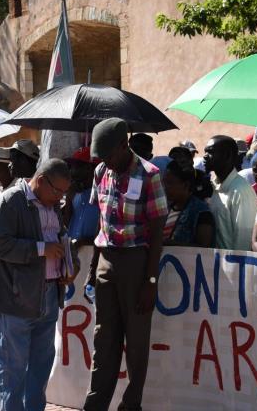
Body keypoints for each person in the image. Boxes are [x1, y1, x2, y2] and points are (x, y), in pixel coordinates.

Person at [84, 118, 167, 411]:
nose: (105, 161)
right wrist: (93, 268)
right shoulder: (100, 171)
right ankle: (95, 405)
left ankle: (131, 406)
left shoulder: (150, 175)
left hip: (136, 264)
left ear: (124, 145)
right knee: (103, 341)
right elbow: (101, 222)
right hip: (106, 260)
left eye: (108, 155)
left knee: (136, 344)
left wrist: (150, 281)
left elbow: (157, 232)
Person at [0, 158, 76, 411]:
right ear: (41, 180)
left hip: (48, 295)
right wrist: (41, 249)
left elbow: (60, 237)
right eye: (57, 191)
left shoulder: (53, 205)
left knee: (40, 367)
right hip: (16, 299)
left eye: (63, 193)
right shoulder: (10, 201)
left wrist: (71, 264)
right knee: (12, 369)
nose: (60, 198)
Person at [204, 135, 257, 251]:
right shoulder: (212, 187)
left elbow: (243, 241)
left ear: (227, 155)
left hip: (232, 261)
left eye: (210, 152)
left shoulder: (241, 191)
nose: (205, 156)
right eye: (205, 151)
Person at [161, 160, 215, 247]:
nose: (165, 187)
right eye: (164, 182)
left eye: (170, 183)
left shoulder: (202, 213)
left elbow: (204, 249)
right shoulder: (166, 208)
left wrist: (174, 245)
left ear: (186, 185)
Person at [64, 147, 100, 247]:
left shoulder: (102, 194)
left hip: (91, 250)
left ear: (88, 168)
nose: (71, 171)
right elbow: (66, 223)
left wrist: (84, 242)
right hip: (71, 247)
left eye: (76, 167)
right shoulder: (72, 192)